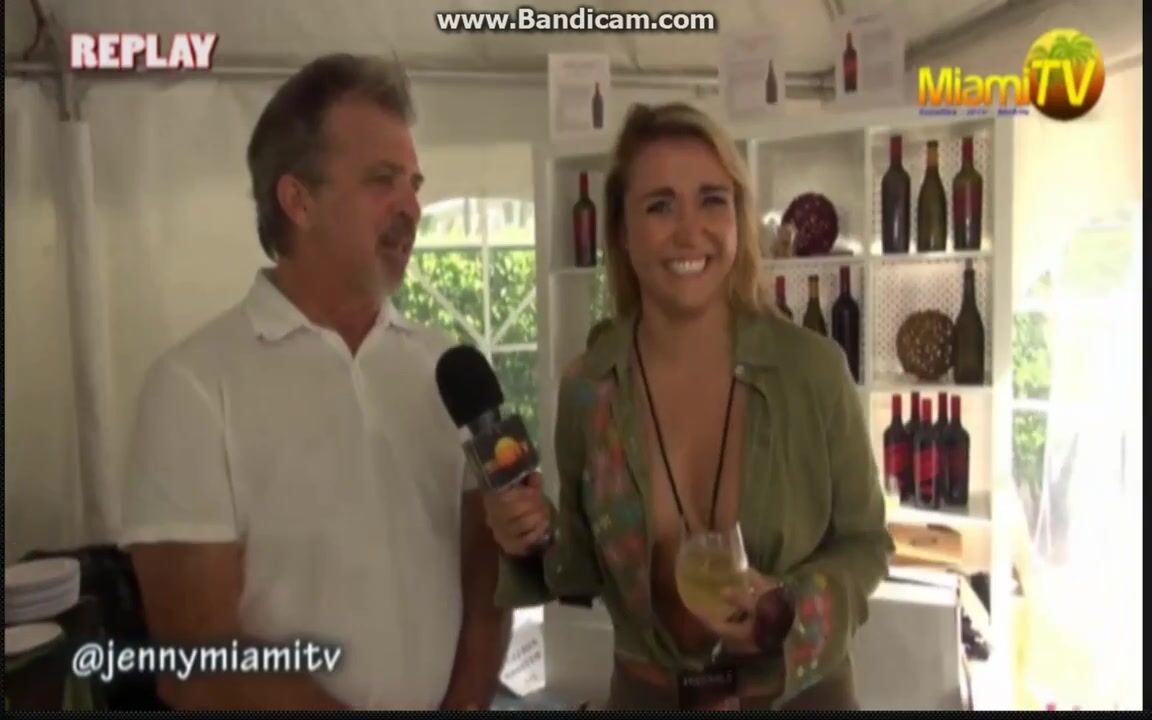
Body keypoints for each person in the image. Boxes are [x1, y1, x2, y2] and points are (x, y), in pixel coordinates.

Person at [119, 54, 509, 710]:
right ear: (298, 200)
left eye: (414, 184)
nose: (412, 207)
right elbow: (198, 664)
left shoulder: (445, 368)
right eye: (382, 181)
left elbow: (489, 576)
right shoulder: (191, 388)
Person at [483, 102, 893, 710]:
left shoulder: (813, 371)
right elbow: (577, 568)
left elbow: (866, 544)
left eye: (711, 200)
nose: (689, 231)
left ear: (738, 218)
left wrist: (789, 611)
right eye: (660, 205)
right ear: (621, 231)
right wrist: (527, 536)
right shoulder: (589, 388)